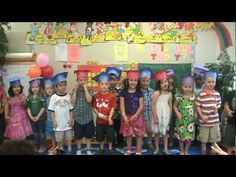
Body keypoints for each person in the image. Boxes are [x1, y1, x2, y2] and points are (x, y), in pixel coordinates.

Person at [48, 72, 74, 155]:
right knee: (59, 138)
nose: (63, 87)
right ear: (56, 87)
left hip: (67, 122)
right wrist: (54, 121)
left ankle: (69, 149)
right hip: (58, 122)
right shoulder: (53, 97)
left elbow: (71, 109)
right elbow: (52, 111)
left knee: (69, 137)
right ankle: (61, 148)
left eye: (64, 85)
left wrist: (71, 119)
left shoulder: (68, 96)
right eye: (60, 85)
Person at [120, 70, 145, 155]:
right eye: (131, 80)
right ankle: (129, 149)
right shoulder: (123, 92)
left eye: (135, 80)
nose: (133, 82)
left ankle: (138, 150)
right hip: (126, 116)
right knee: (128, 134)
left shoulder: (139, 92)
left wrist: (135, 115)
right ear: (127, 81)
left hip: (138, 116)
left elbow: (141, 106)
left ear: (137, 82)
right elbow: (122, 105)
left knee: (139, 134)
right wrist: (123, 115)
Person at [196, 71, 221, 155]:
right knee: (204, 138)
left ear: (215, 82)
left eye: (213, 82)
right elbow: (198, 106)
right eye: (209, 82)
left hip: (214, 121)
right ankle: (203, 150)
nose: (211, 84)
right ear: (205, 82)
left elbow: (219, 104)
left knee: (214, 139)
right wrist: (202, 116)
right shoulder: (201, 94)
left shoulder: (217, 94)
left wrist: (216, 108)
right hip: (204, 121)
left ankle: (213, 151)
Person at [92, 72, 116, 155]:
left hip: (109, 121)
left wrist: (109, 117)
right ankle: (101, 149)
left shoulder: (111, 96)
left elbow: (113, 107)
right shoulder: (96, 96)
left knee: (110, 136)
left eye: (106, 84)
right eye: (102, 84)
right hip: (99, 121)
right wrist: (99, 115)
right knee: (100, 136)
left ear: (109, 85)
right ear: (99, 85)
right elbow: (94, 107)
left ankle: (110, 149)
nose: (104, 86)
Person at [72, 69, 95, 155]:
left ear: (87, 80)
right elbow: (73, 101)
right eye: (80, 80)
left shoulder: (90, 89)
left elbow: (89, 100)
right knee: (78, 136)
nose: (83, 82)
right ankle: (79, 149)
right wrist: (75, 90)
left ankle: (88, 149)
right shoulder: (75, 90)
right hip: (78, 117)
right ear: (77, 80)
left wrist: (86, 90)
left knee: (89, 136)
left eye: (84, 80)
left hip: (88, 117)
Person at [174, 76, 196, 155]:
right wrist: (178, 113)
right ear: (182, 86)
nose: (187, 88)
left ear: (193, 86)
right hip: (181, 120)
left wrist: (196, 115)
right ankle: (182, 151)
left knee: (188, 137)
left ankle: (186, 151)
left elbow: (196, 107)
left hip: (190, 121)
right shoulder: (179, 96)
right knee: (181, 137)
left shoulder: (194, 96)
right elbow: (174, 106)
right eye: (185, 87)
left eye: (189, 87)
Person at [152, 70, 172, 155]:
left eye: (166, 81)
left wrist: (170, 118)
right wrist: (155, 117)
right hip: (158, 115)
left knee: (165, 133)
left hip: (166, 115)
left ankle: (166, 148)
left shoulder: (169, 94)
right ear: (159, 84)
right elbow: (153, 105)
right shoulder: (157, 93)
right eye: (162, 82)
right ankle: (156, 148)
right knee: (157, 133)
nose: (165, 84)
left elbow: (170, 106)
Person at [27, 77, 47, 153]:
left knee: (42, 133)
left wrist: (38, 116)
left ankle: (43, 146)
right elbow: (28, 107)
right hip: (32, 119)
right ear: (30, 88)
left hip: (41, 118)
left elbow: (43, 107)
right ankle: (36, 145)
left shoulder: (41, 96)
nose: (34, 89)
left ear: (39, 87)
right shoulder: (29, 97)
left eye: (36, 87)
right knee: (35, 133)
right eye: (33, 87)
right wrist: (31, 116)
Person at [106, 67, 124, 147]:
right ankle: (111, 142)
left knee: (119, 130)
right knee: (110, 130)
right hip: (109, 115)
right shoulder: (106, 90)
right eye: (110, 80)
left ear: (117, 81)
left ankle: (120, 142)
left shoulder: (120, 90)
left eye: (114, 80)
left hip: (118, 115)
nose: (112, 82)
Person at [140, 68, 155, 151]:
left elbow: (154, 103)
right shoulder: (138, 91)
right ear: (140, 81)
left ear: (150, 81)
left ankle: (149, 142)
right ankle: (141, 142)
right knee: (140, 130)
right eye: (143, 81)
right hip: (140, 115)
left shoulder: (152, 91)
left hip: (149, 114)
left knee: (149, 130)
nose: (145, 83)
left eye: (147, 81)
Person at [43, 78, 56, 152]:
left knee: (58, 134)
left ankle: (59, 146)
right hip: (49, 119)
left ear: (54, 89)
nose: (49, 90)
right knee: (52, 135)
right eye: (47, 89)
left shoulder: (56, 97)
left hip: (57, 119)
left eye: (51, 88)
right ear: (45, 90)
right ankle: (54, 146)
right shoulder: (45, 98)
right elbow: (45, 108)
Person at [222, 89, 235, 155]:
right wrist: (229, 111)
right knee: (229, 143)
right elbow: (226, 104)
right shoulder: (231, 93)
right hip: (231, 121)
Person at [0, 68, 8, 145]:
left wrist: (6, 115)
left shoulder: (2, 90)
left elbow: (5, 103)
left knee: (1, 133)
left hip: (1, 116)